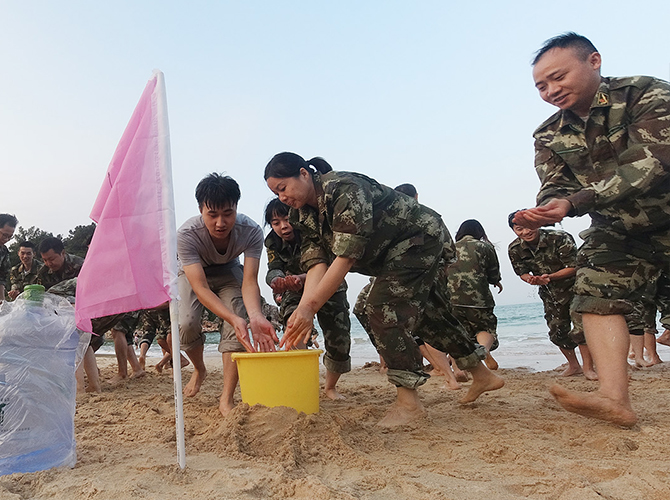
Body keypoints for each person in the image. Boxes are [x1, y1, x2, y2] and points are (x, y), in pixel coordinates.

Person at [264, 152, 503, 427]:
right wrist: (304, 308)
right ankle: (482, 374)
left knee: (382, 308)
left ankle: (409, 403)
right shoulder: (301, 215)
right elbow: (317, 262)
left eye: (283, 188)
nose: (282, 197)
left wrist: (310, 307)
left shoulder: (344, 189)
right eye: (276, 193)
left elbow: (346, 257)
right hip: (392, 255)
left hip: (420, 239)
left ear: (304, 174)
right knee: (428, 314)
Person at [513, 32, 670, 426]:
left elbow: (650, 163)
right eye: (541, 86)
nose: (551, 90)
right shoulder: (548, 134)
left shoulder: (645, 93)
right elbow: (555, 183)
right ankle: (614, 399)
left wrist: (576, 201)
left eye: (558, 77)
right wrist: (547, 208)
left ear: (594, 61)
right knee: (594, 292)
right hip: (619, 230)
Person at [177, 173, 278, 417]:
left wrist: (254, 316)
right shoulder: (187, 234)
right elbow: (200, 287)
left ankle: (227, 397)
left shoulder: (251, 231)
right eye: (212, 215)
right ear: (201, 210)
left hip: (229, 271)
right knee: (187, 323)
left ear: (236, 208)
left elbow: (250, 281)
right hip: (194, 274)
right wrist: (232, 318)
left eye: (228, 213)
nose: (220, 223)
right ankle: (199, 369)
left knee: (238, 322)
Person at [265, 198, 352, 400]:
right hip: (293, 289)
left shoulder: (312, 230)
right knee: (293, 326)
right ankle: (301, 385)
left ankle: (330, 387)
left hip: (328, 284)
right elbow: (273, 268)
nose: (283, 226)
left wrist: (303, 278)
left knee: (339, 337)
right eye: (276, 223)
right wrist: (277, 281)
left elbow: (332, 266)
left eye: (287, 219)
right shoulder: (272, 241)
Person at [507, 213, 596, 380]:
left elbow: (574, 266)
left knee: (580, 328)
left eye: (529, 226)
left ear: (538, 224)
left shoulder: (559, 237)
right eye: (519, 229)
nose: (526, 232)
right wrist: (532, 279)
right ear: (514, 230)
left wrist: (550, 277)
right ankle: (574, 365)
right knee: (557, 330)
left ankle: (588, 368)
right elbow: (522, 272)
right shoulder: (515, 248)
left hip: (577, 287)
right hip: (550, 293)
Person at [447, 220, 502, 371]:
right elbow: (493, 272)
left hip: (451, 299)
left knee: (459, 333)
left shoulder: (449, 248)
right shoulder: (485, 247)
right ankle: (484, 350)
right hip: (479, 299)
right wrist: (496, 281)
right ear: (479, 232)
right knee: (485, 329)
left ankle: (459, 369)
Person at [0, 214, 18, 301]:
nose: (6, 239)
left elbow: (1, 277)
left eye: (10, 237)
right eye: (4, 235)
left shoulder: (3, 251)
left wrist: (2, 300)